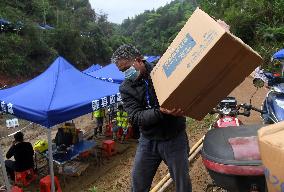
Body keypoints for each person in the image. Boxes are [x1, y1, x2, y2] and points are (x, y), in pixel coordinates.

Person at [111, 44, 191, 192]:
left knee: (182, 182)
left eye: (127, 68)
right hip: (148, 140)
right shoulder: (126, 88)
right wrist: (161, 112)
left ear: (139, 60)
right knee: (138, 182)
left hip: (174, 136)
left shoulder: (162, 70)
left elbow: (186, 73)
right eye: (122, 71)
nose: (126, 74)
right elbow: (136, 117)